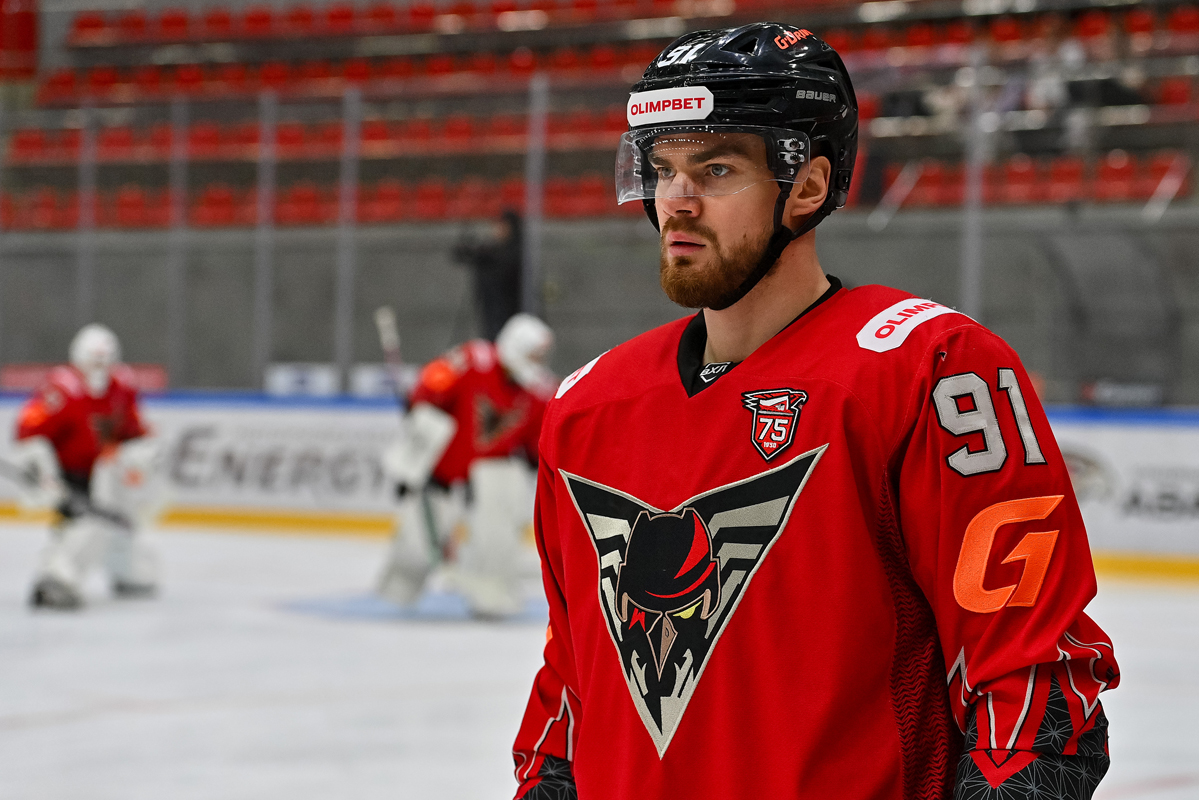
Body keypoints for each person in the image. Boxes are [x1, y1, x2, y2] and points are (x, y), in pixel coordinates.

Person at [512, 22, 1117, 800]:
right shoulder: (587, 406)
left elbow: (1029, 685)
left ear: (805, 186)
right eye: (662, 170)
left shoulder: (930, 370)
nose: (677, 202)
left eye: (716, 169)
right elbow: (571, 686)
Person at [377, 312, 555, 617]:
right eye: (534, 354)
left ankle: (493, 594)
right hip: (443, 472)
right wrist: (412, 456)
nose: (538, 362)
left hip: (490, 475)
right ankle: (397, 592)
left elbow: (537, 446)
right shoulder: (472, 360)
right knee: (414, 550)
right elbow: (427, 391)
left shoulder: (540, 390)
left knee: (498, 536)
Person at [16, 323, 160, 609]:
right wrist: (43, 474)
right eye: (92, 359)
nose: (99, 367)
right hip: (67, 474)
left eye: (105, 360)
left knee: (119, 521)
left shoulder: (122, 387)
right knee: (88, 524)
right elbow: (28, 433)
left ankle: (128, 569)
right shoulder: (61, 389)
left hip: (105, 473)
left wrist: (139, 458)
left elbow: (136, 432)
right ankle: (57, 577)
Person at [452, 210, 524, 341]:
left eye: (501, 226)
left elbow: (503, 262)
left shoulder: (515, 252)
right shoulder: (493, 250)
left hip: (509, 312)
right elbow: (463, 254)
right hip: (491, 311)